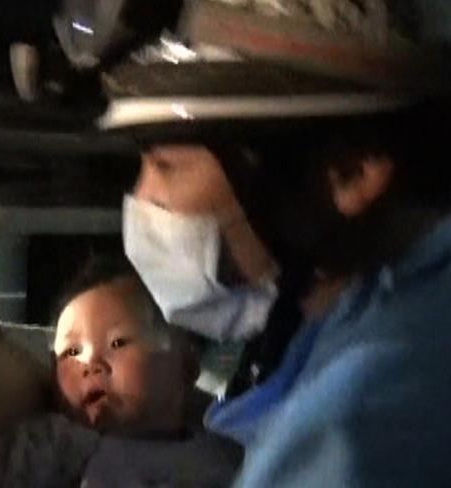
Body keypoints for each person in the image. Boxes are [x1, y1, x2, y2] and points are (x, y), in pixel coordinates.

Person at [38, 0, 451, 485]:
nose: (143, 197)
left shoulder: (353, 429)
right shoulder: (377, 305)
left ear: (349, 174)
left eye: (167, 166)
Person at [0, 256, 238, 487]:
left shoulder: (225, 445)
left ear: (184, 367)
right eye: (71, 352)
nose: (91, 364)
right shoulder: (60, 445)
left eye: (119, 343)